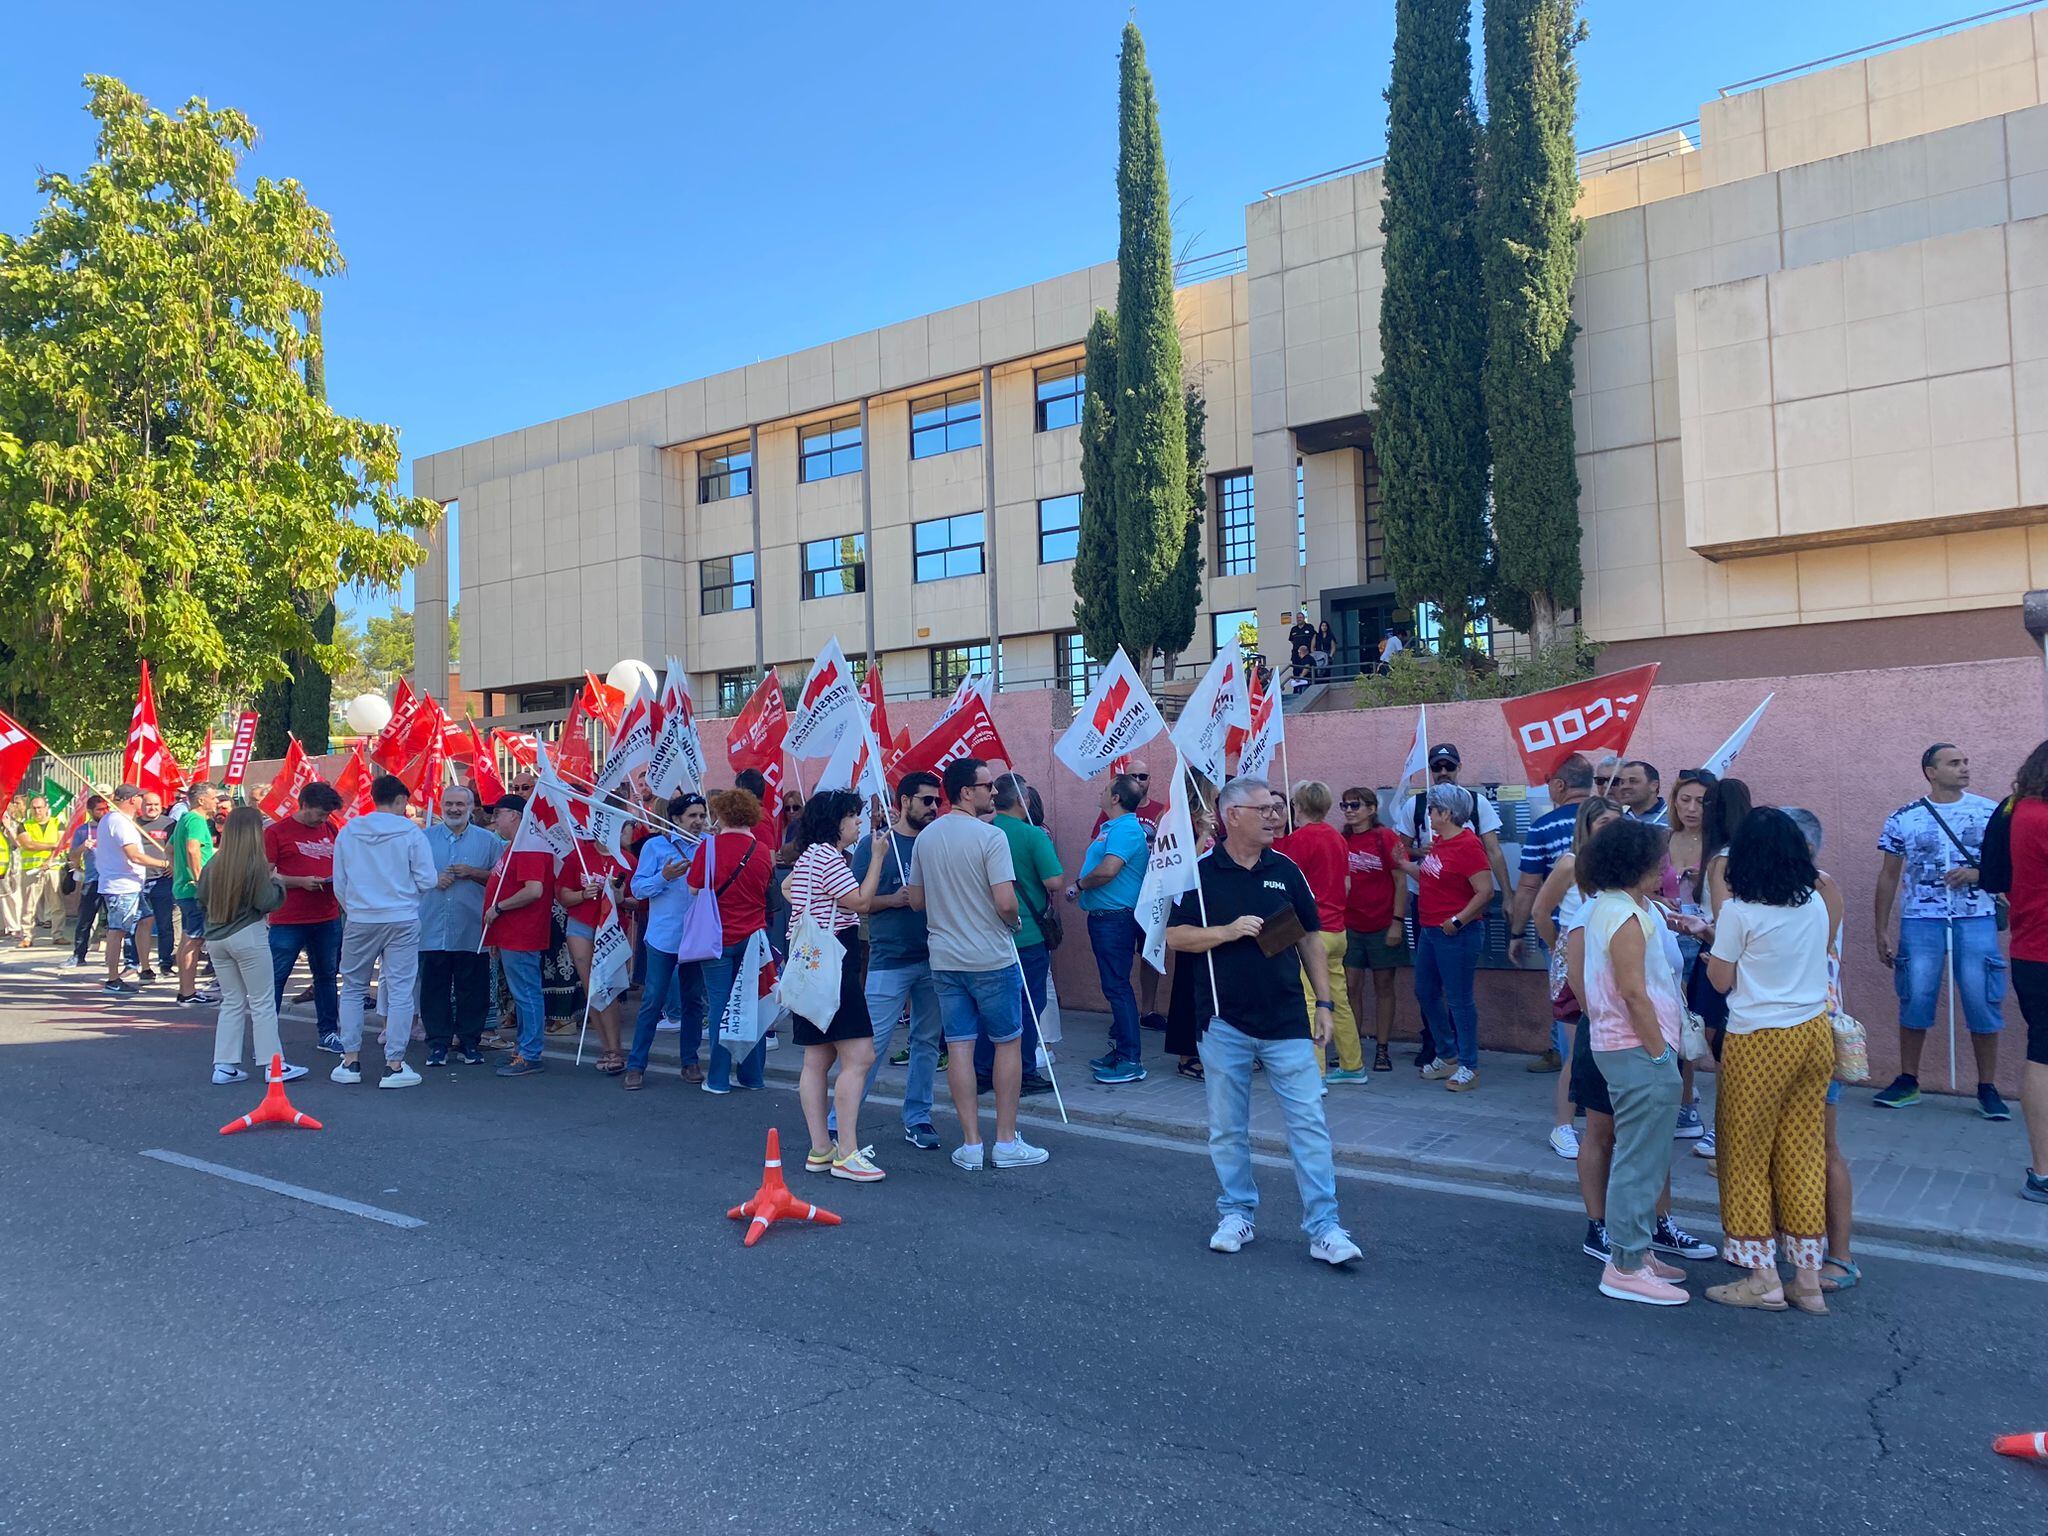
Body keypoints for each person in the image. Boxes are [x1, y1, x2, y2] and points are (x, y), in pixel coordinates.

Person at [1166, 775, 1360, 1266]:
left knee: (1309, 1126)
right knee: (1228, 1128)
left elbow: (1311, 938)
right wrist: (1226, 932)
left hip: (1288, 1021)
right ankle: (1236, 1212)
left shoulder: (1287, 869)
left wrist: (1323, 1004)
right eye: (1264, 810)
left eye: (1277, 808)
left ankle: (1325, 1228)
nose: (1275, 816)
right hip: (1224, 1022)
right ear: (1232, 816)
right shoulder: (1199, 873)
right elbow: (1175, 937)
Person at [1704, 808, 1836, 1314]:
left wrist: (1711, 944)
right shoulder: (1815, 903)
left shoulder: (1740, 911)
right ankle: (1807, 1276)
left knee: (1744, 1154)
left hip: (1759, 1038)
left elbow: (1720, 980)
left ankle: (1762, 1275)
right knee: (1802, 1151)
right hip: (1813, 1031)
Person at [903, 758, 1048, 1172]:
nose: (994, 793)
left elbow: (916, 900)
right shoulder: (991, 837)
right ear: (967, 791)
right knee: (1007, 1044)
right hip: (990, 957)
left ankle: (970, 1143)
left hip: (945, 959)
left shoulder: (927, 838)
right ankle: (1004, 1141)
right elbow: (1005, 901)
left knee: (961, 1047)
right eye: (987, 786)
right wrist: (1013, 920)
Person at [1572, 819, 1692, 1306]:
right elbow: (1632, 992)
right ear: (1635, 865)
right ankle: (1624, 1266)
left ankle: (1636, 1252)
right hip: (1636, 1048)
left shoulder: (1614, 907)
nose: (1664, 868)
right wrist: (1661, 1052)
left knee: (1645, 1154)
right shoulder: (1623, 915)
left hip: (1627, 1046)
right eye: (1657, 861)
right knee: (1640, 1159)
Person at [1871, 743, 2008, 1119]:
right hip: (1920, 919)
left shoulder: (1988, 811)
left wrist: (1977, 874)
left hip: (1975, 916)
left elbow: (2006, 864)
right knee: (1915, 996)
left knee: (1982, 999)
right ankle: (1908, 1080)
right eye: (1954, 763)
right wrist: (1881, 928)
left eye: (1965, 761)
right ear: (1930, 771)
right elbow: (1888, 874)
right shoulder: (1905, 817)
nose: (1964, 768)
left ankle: (1987, 1086)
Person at [785, 789, 891, 1181]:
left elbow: (788, 891)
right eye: (853, 816)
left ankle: (821, 1148)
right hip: (834, 962)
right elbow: (861, 902)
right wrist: (877, 858)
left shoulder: (808, 856)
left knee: (816, 1059)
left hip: (808, 964)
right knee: (860, 1056)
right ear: (837, 821)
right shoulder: (829, 857)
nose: (859, 822)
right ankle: (847, 1152)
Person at [1782, 806, 1860, 1289]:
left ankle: (1841, 1256)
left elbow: (1807, 952)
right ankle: (1778, 1248)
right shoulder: (1777, 889)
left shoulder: (1820, 887)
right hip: (1781, 1030)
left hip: (1817, 1029)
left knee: (1823, 1147)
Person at [851, 772, 946, 1144]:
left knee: (926, 1043)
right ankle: (840, 1118)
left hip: (935, 957)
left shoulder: (936, 843)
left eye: (937, 801)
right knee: (870, 1045)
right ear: (904, 801)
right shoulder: (876, 845)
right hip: (889, 959)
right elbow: (858, 900)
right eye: (926, 800)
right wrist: (895, 899)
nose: (934, 807)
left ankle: (918, 1116)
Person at [330, 774, 436, 1089]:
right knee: (401, 990)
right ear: (401, 800)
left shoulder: (349, 832)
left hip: (361, 917)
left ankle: (350, 1061)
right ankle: (394, 1064)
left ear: (374, 798)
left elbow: (340, 883)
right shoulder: (411, 833)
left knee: (352, 987)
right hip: (402, 917)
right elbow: (428, 880)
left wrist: (356, 907)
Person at [1534, 798, 1624, 1159]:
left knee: (1608, 1047)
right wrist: (1559, 947)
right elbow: (1542, 910)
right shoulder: (1571, 863)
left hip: (1610, 963)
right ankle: (1563, 1126)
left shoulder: (1620, 867)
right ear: (1586, 825)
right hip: (1576, 966)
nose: (1611, 828)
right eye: (1604, 822)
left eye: (1617, 822)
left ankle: (1606, 1126)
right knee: (1578, 1050)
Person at [198, 805, 307, 1086]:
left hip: (216, 937)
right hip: (248, 934)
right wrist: (279, 883)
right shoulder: (255, 864)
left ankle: (224, 1065)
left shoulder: (213, 863)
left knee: (232, 1001)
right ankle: (274, 1065)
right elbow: (266, 902)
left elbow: (201, 898)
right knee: (262, 1002)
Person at [1400, 785, 1495, 1091]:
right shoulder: (1438, 843)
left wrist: (1458, 920)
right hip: (1430, 929)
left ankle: (1469, 1065)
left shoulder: (1468, 845)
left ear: (1447, 813)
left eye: (1432, 809)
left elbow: (1485, 891)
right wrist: (1402, 864)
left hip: (1457, 933)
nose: (1428, 814)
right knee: (1425, 991)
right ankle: (1448, 1053)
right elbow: (1430, 875)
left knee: (1459, 999)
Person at [687, 787, 776, 1094]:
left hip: (717, 938)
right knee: (750, 1006)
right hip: (754, 938)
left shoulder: (709, 848)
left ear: (721, 814)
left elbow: (694, 888)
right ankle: (752, 1076)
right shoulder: (763, 851)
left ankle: (718, 1078)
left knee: (720, 1008)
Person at [1276, 780, 1364, 1084]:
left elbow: (1283, 876)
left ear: (1298, 806)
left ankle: (1316, 1074)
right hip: (1337, 929)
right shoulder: (1338, 839)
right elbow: (1346, 883)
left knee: (1310, 1002)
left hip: (1311, 932)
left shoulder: (1300, 840)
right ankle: (1353, 1065)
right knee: (1338, 999)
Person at [624, 792, 710, 1090]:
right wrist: (664, 876)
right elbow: (637, 888)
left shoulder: (708, 846)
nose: (698, 822)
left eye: (702, 815)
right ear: (675, 819)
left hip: (697, 937)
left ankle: (690, 1061)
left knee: (693, 1002)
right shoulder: (655, 846)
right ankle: (636, 1065)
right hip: (663, 937)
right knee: (652, 1001)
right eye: (692, 816)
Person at [417, 785, 502, 1068]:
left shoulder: (488, 841)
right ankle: (438, 1045)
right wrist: (432, 880)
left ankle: (469, 1043)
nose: (454, 809)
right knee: (433, 990)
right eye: (449, 803)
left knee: (472, 990)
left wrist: (473, 873)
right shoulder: (423, 839)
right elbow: (406, 876)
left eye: (460, 805)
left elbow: (500, 880)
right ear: (441, 805)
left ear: (470, 807)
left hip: (471, 929)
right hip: (432, 928)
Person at [1997, 741, 2048, 1205]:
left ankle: (2043, 1169)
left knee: (2042, 1049)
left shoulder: (2017, 812)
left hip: (2030, 947)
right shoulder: (2043, 817)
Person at [988, 776, 1060, 1098]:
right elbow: (1055, 880)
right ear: (1023, 801)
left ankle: (985, 1069)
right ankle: (1025, 1071)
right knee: (1031, 1005)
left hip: (989, 934)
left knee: (992, 1006)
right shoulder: (1032, 834)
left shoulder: (985, 832)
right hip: (1027, 932)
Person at [1077, 772, 1149, 1084]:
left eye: (1106, 789)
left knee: (1118, 987)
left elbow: (1108, 870)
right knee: (1114, 986)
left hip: (1115, 918)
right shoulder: (1114, 827)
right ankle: (1121, 1050)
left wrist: (1078, 885)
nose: (1102, 792)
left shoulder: (1127, 829)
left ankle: (1131, 1059)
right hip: (1107, 917)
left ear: (1116, 798)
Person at [266, 781, 346, 1053]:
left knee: (326, 976)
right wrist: (299, 881)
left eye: (327, 814)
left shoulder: (330, 828)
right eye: (320, 813)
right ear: (305, 806)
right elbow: (266, 875)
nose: (323, 819)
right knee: (277, 978)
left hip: (326, 914)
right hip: (289, 918)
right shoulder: (277, 832)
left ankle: (328, 1033)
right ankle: (266, 1038)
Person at [483, 793, 555, 1079]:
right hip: (512, 933)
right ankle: (525, 1049)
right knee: (523, 994)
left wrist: (498, 908)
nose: (494, 819)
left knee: (527, 994)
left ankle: (530, 1053)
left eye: (498, 813)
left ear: (514, 815)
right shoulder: (518, 845)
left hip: (522, 933)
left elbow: (533, 889)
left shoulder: (529, 845)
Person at [1338, 787, 1407, 1073]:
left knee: (1383, 987)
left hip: (1382, 924)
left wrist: (1397, 922)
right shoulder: (1341, 840)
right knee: (1350, 987)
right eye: (1345, 805)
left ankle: (1382, 1048)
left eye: (1356, 805)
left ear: (1371, 809)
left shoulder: (1386, 838)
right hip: (1351, 925)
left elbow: (1401, 881)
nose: (1350, 810)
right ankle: (1351, 1048)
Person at [1506, 752, 1594, 968]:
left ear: (1560, 785)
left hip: (1562, 931)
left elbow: (1529, 885)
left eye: (1548, 781)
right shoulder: (1614, 818)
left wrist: (1517, 933)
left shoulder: (1543, 827)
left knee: (1569, 1000)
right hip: (1614, 927)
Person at [558, 829, 625, 1074]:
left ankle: (616, 1049)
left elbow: (637, 901)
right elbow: (563, 894)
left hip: (611, 929)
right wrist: (582, 894)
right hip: (581, 925)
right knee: (593, 988)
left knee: (608, 986)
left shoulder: (626, 859)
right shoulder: (579, 856)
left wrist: (618, 897)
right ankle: (607, 1049)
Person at [94, 785, 167, 996]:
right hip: (121, 887)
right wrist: (164, 864)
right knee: (117, 931)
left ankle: (145, 967)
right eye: (140, 797)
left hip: (131, 885)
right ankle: (113, 978)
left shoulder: (114, 819)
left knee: (146, 919)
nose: (143, 801)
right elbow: (134, 855)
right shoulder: (119, 822)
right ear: (132, 799)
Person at [170, 782, 222, 1005]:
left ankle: (185, 990)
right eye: (214, 797)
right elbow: (192, 848)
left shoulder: (184, 819)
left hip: (184, 887)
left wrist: (179, 871)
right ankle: (188, 993)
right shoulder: (197, 820)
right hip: (194, 891)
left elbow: (169, 849)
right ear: (201, 800)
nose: (217, 802)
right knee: (195, 940)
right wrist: (200, 878)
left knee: (187, 940)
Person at [13, 793, 65, 949]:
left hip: (53, 868)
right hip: (31, 870)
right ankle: (27, 936)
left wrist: (49, 859)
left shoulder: (57, 823)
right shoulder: (24, 825)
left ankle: (58, 935)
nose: (37, 811)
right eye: (34, 808)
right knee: (29, 905)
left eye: (40, 808)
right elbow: (28, 844)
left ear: (46, 808)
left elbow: (61, 844)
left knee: (57, 904)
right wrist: (51, 845)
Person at [137, 791, 179, 977]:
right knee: (137, 926)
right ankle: (134, 963)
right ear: (141, 806)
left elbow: (180, 847)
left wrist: (175, 865)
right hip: (139, 881)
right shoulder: (133, 823)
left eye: (155, 804)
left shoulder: (170, 824)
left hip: (163, 880)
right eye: (148, 804)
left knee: (165, 925)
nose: (152, 808)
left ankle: (165, 963)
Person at [65, 796, 108, 968]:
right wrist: (83, 847)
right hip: (93, 880)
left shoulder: (113, 827)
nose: (104, 812)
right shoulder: (83, 831)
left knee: (115, 921)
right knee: (85, 919)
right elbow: (72, 856)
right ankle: (78, 954)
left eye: (106, 808)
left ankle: (117, 958)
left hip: (112, 880)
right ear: (90, 812)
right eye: (99, 809)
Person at [1614, 761, 1667, 825]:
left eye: (1633, 781)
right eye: (1622, 782)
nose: (1624, 786)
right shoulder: (1617, 818)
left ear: (1654, 785)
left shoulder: (1674, 817)